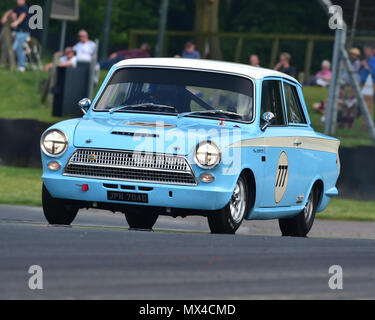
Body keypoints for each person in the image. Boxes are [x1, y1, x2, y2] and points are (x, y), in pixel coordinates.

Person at [1, 0, 30, 72]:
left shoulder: (24, 8)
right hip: (17, 32)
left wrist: (16, 22)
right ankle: (19, 64)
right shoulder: (17, 8)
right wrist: (5, 16)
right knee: (17, 49)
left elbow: (22, 16)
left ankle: (21, 66)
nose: (18, 1)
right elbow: (10, 11)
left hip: (23, 32)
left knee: (17, 48)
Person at [359, 44, 375, 130]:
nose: (365, 52)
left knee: (368, 105)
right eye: (364, 50)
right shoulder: (365, 60)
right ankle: (364, 126)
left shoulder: (373, 60)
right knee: (364, 105)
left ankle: (367, 126)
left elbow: (373, 73)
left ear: (371, 51)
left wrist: (365, 66)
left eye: (367, 50)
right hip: (363, 84)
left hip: (370, 85)